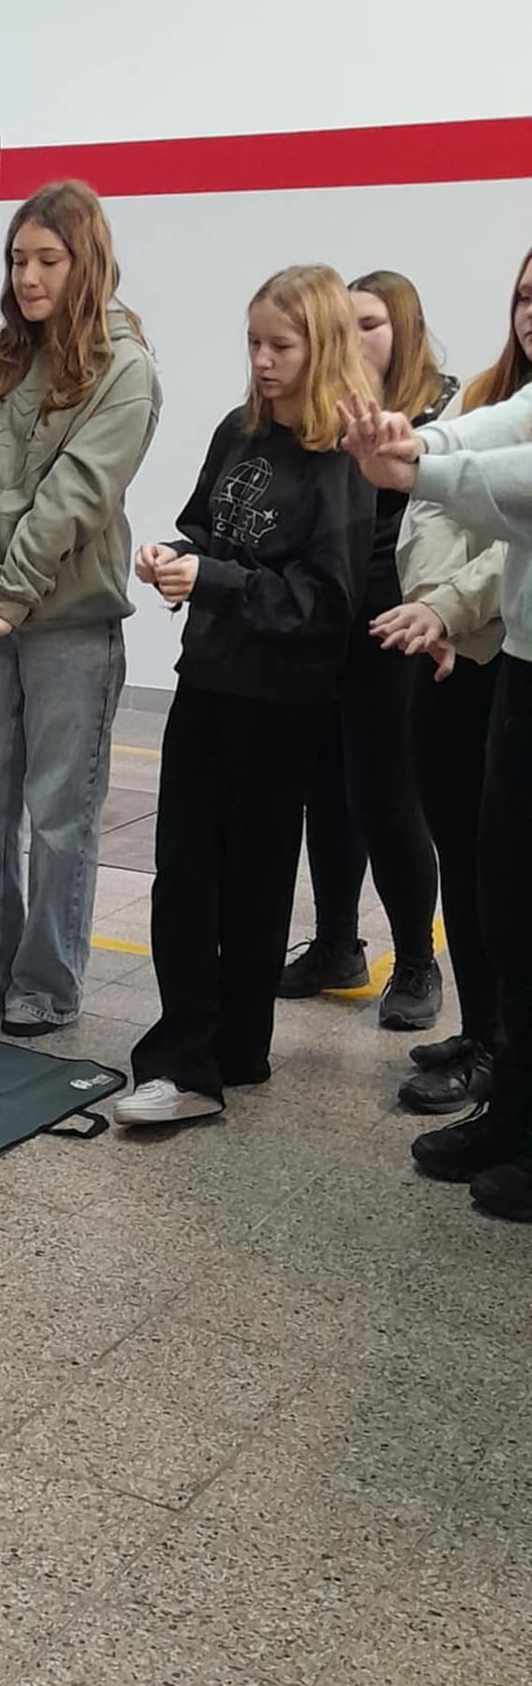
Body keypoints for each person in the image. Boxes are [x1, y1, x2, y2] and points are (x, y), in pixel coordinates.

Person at [113, 264, 374, 1127]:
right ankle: (194, 1053)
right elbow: (205, 527)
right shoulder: (240, 429)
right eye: (255, 343)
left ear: (321, 347)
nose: (262, 361)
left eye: (281, 347)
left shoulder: (340, 460)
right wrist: (173, 558)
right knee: (186, 872)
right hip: (210, 679)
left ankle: (221, 1055)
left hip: (283, 701)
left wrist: (215, 580)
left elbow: (325, 604)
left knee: (252, 883)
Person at [0, 181, 162, 1036]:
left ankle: (46, 984)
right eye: (18, 260)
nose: (27, 277)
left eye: (48, 260)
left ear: (85, 262)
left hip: (72, 624)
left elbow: (77, 497)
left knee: (61, 812)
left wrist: (8, 596)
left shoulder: (124, 368)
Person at [338, 346, 532, 1220]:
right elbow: (506, 425)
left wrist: (420, 465)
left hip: (504, 652)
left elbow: (516, 474)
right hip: (522, 659)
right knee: (508, 904)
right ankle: (513, 1113)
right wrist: (421, 443)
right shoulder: (503, 396)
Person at [369, 247, 529, 1116]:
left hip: (497, 653)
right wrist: (431, 601)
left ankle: (505, 1054)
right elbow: (431, 506)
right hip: (441, 652)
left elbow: (507, 532)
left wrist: (450, 608)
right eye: (523, 297)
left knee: (506, 874)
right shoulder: (489, 401)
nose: (530, 313)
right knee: (470, 866)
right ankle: (486, 1032)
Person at [278, 271, 454, 1027]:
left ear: (404, 330)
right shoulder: (326, 415)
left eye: (371, 324)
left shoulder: (441, 414)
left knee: (386, 794)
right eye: (343, 326)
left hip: (399, 620)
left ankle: (416, 960)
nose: (353, 340)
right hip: (329, 616)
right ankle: (336, 945)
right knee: (326, 789)